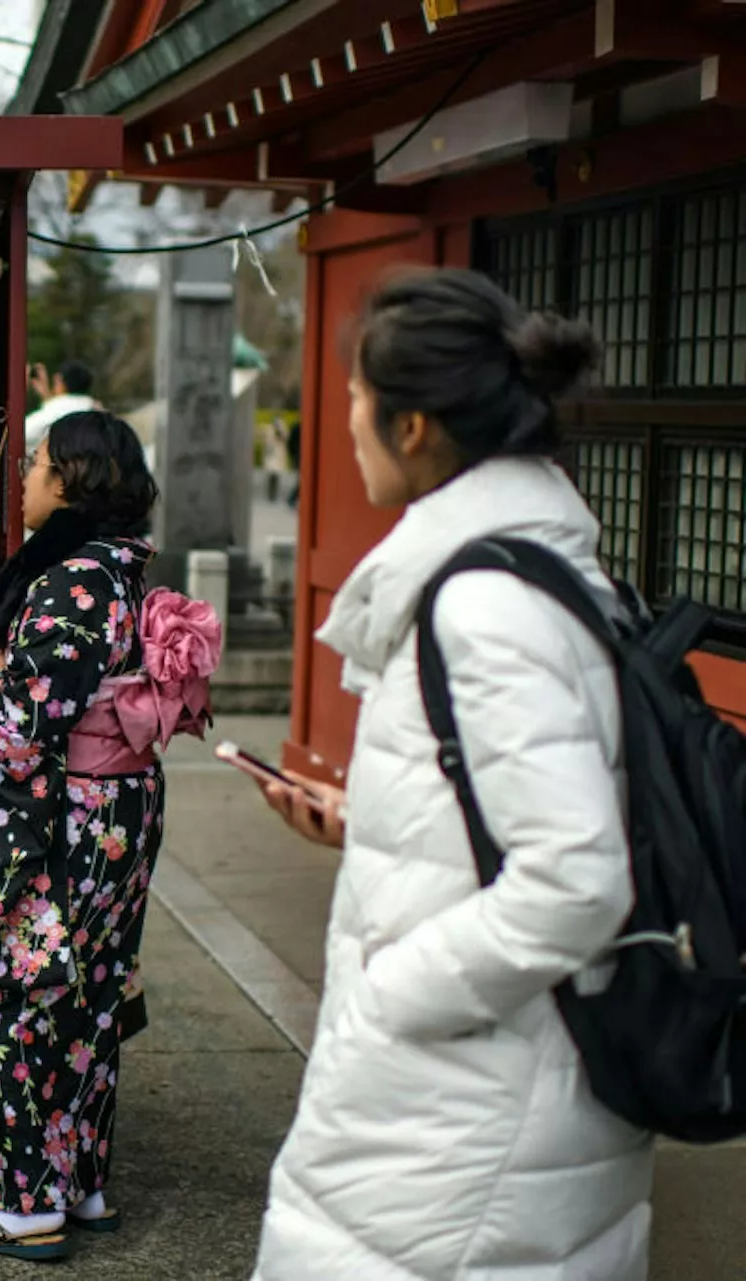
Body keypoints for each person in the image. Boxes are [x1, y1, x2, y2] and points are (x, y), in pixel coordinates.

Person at [246, 268, 652, 1279]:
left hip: (460, 1113)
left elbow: (575, 878)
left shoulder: (484, 606)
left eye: (351, 397)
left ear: (414, 424)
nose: (341, 422)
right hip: (489, 1098)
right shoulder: (541, 573)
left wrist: (390, 997)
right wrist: (371, 819)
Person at [0, 410, 218, 1261]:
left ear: (69, 477)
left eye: (33, 463)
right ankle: (79, 1176)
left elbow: (28, 719)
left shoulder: (72, 581)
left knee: (8, 989)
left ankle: (22, 1198)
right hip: (122, 805)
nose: (22, 476)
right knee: (92, 989)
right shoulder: (128, 569)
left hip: (60, 811)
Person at [23, 360, 103, 456]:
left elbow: (22, 433)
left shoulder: (56, 409)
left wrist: (21, 388)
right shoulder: (93, 408)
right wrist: (47, 398)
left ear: (59, 380)